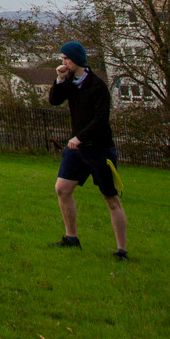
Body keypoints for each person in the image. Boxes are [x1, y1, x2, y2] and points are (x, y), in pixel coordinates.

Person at [48, 42, 127, 259]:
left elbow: (101, 119)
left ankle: (121, 250)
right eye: (62, 59)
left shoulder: (97, 86)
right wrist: (60, 79)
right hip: (77, 150)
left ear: (77, 60)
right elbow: (54, 100)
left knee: (111, 199)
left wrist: (80, 137)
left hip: (100, 149)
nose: (63, 63)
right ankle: (71, 238)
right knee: (62, 188)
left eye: (67, 59)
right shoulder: (70, 83)